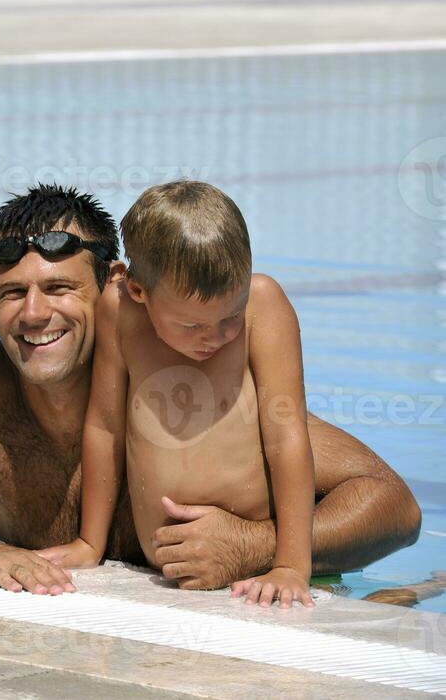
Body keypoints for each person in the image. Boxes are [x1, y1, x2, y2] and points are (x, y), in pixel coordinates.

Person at [0, 186, 420, 596]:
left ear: (117, 288)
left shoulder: (187, 378)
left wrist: (255, 546)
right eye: (12, 294)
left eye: (60, 288)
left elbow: (393, 505)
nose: (35, 314)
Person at [38, 182, 315, 607]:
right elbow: (105, 427)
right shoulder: (120, 312)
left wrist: (291, 566)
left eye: (230, 316)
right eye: (191, 326)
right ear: (138, 292)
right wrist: (89, 543)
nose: (214, 338)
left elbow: (287, 434)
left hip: (256, 571)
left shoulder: (264, 305)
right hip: (162, 574)